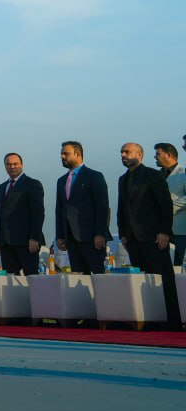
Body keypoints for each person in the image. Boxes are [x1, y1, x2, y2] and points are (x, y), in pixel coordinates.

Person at [117, 142, 182, 329]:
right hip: (133, 239)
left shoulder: (153, 175)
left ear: (140, 155)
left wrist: (164, 232)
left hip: (154, 237)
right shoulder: (123, 179)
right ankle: (149, 320)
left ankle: (173, 322)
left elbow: (165, 205)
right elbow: (122, 208)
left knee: (163, 279)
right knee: (142, 282)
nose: (123, 155)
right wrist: (123, 233)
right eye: (122, 152)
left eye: (127, 152)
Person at [55, 140, 110, 274]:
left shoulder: (93, 176)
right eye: (61, 154)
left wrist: (100, 233)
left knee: (97, 275)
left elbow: (102, 207)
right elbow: (60, 210)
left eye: (66, 154)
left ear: (78, 154)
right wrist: (60, 236)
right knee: (78, 276)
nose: (62, 157)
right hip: (71, 239)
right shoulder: (61, 181)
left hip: (91, 237)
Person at [0, 152, 45, 275]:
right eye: (9, 164)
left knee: (31, 277)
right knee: (10, 279)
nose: (12, 167)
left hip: (26, 242)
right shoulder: (2, 187)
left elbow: (38, 213)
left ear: (22, 165)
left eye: (15, 164)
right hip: (6, 243)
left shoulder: (32, 184)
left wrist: (34, 237)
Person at [153, 143, 186, 267]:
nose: (155, 157)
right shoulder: (155, 176)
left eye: (158, 154)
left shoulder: (183, 173)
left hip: (180, 231)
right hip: (158, 231)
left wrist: (168, 208)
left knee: (179, 267)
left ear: (168, 155)